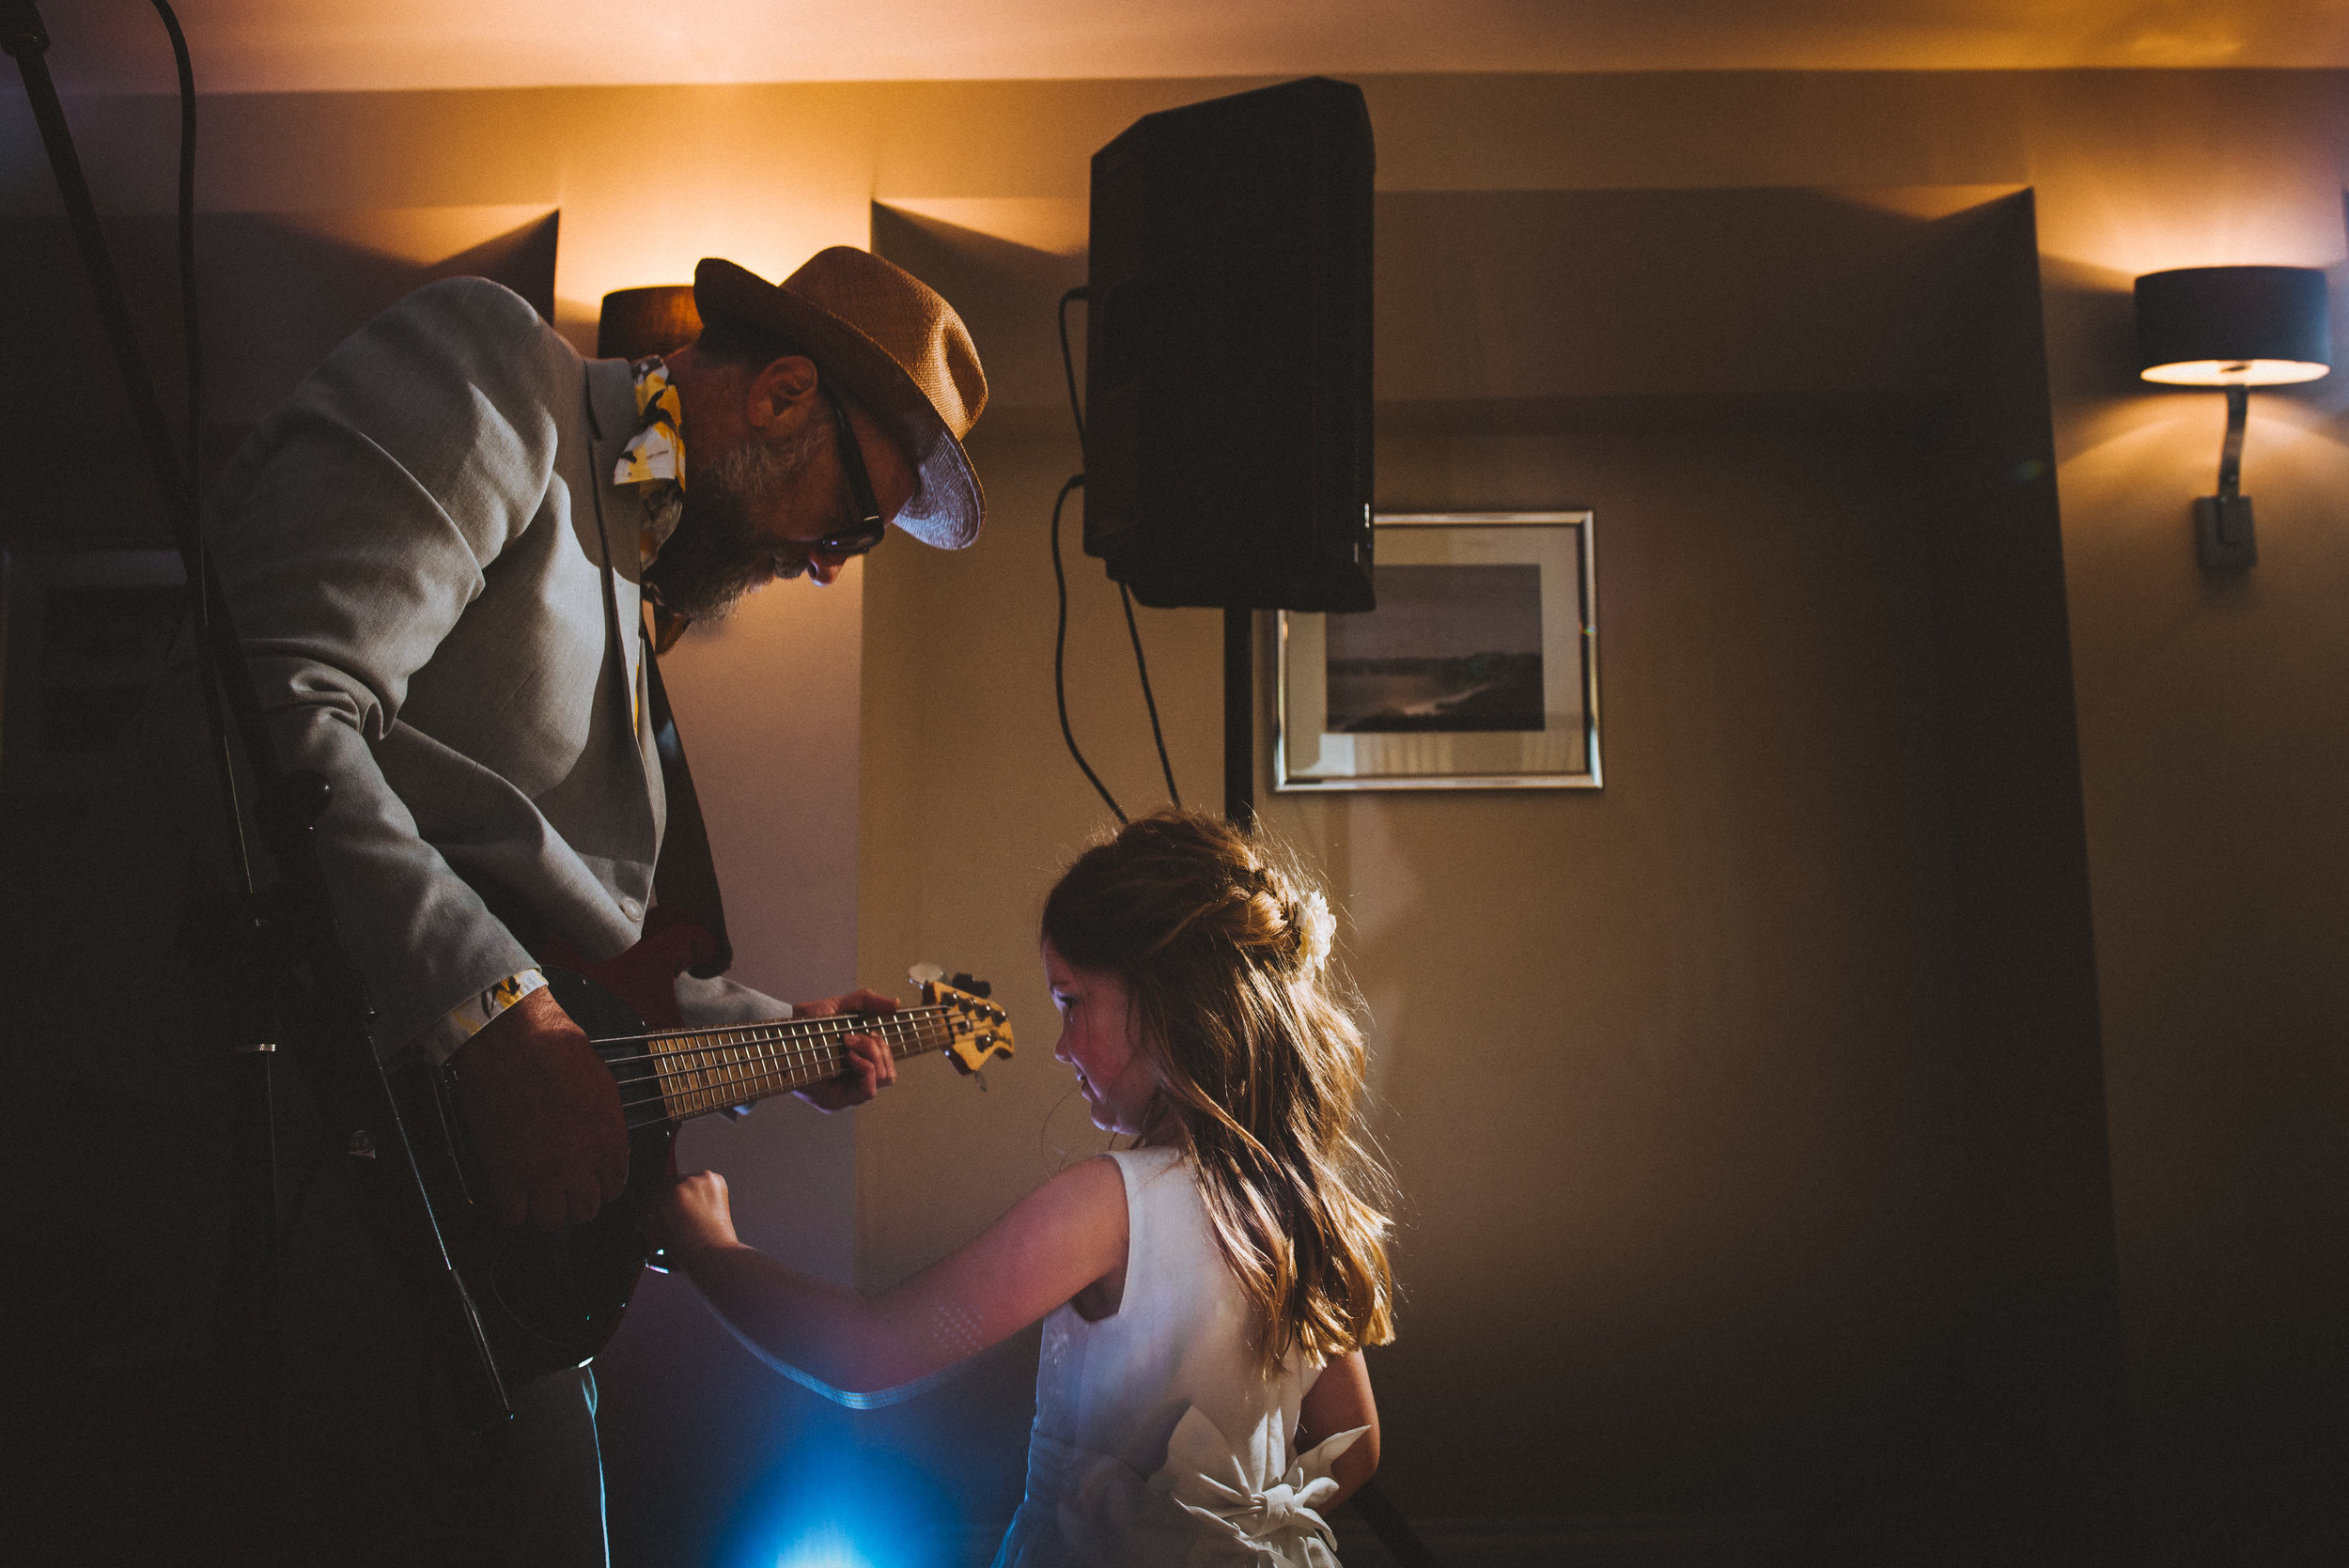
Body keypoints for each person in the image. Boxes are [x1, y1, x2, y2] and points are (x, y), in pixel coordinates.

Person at [161, 246, 990, 1565]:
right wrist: (494, 1010)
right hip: (331, 1188)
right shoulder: (494, 370)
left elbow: (576, 933)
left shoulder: (631, 561)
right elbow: (271, 702)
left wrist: (782, 1026)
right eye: (851, 524)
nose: (832, 566)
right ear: (782, 394)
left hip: (484, 1236)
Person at [659, 811, 1400, 1567]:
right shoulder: (1305, 1204)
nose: (1059, 1046)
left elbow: (866, 1353)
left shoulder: (1109, 1206)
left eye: (1071, 1002)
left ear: (1171, 997)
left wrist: (708, 1245)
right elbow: (1356, 1447)